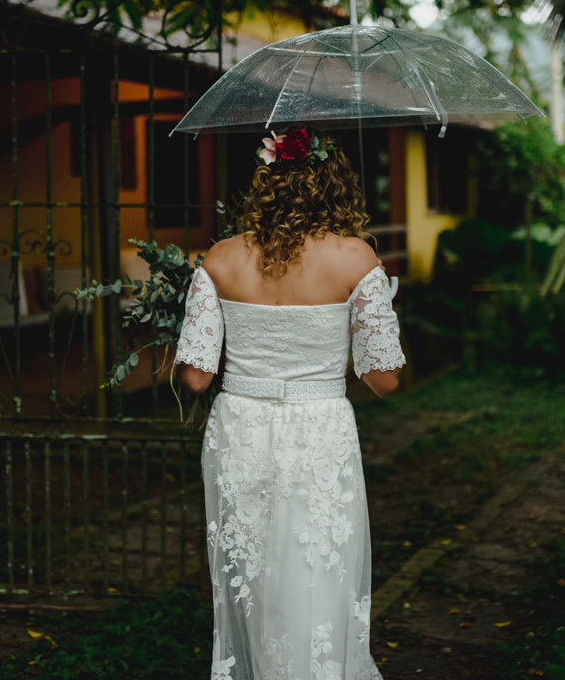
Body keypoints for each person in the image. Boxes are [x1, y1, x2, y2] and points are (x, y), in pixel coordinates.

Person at [174, 125, 405, 680]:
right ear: (335, 184)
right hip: (319, 427)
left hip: (242, 428)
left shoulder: (221, 258)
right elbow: (384, 380)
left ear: (264, 181)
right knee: (315, 569)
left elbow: (196, 379)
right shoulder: (357, 260)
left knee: (253, 574)